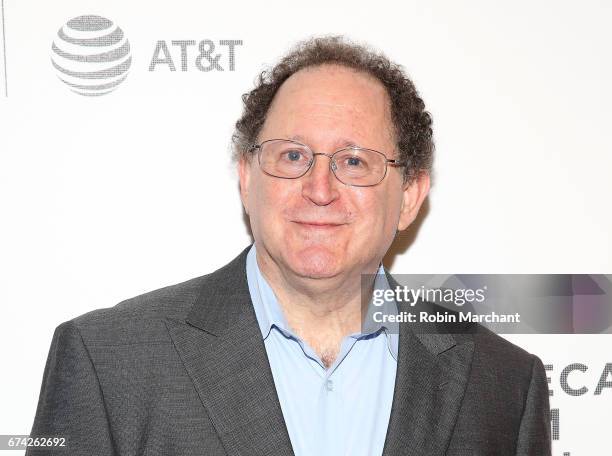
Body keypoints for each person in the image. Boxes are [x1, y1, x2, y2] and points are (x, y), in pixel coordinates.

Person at [27, 36, 551, 456]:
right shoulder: (109, 362)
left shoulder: (503, 383)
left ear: (410, 195)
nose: (319, 190)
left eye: (353, 161)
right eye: (293, 156)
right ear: (246, 178)